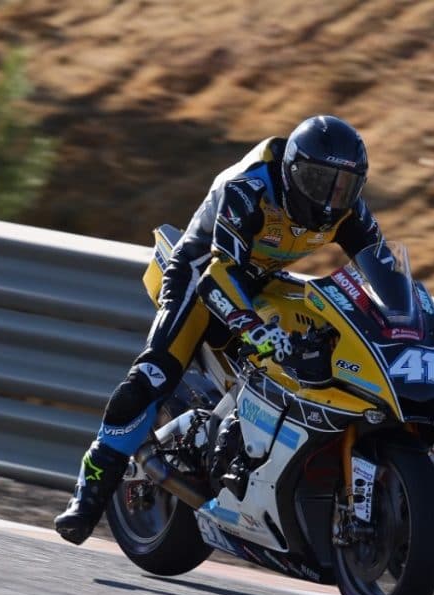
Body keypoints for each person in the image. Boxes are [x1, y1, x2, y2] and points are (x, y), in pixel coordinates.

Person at [54, 114, 385, 545]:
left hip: (266, 280)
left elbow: (386, 273)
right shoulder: (250, 186)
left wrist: (406, 325)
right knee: (151, 375)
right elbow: (219, 275)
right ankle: (89, 493)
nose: (329, 198)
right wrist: (258, 333)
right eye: (319, 181)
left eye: (343, 186)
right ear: (292, 171)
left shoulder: (350, 211)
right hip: (200, 275)